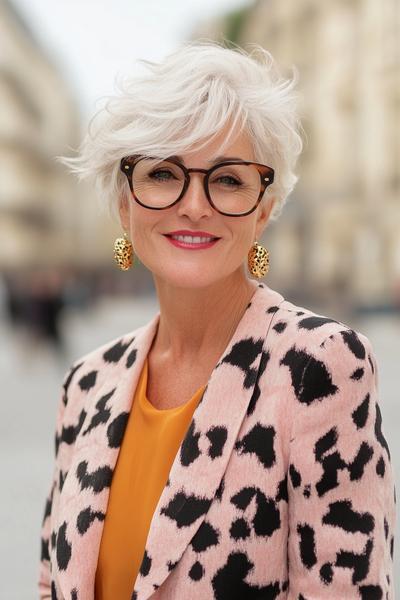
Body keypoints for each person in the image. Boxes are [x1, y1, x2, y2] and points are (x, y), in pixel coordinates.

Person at [38, 41, 396, 600]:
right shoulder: (87, 383)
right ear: (124, 202)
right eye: (163, 173)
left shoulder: (319, 366)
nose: (195, 205)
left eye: (228, 179)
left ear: (264, 208)